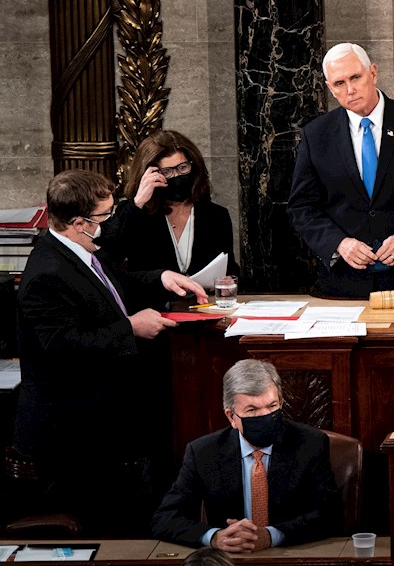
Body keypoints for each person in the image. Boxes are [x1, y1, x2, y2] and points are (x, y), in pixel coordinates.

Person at [14, 170, 205, 534]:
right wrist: (130, 329)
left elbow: (112, 289)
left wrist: (161, 276)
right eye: (103, 217)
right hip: (73, 434)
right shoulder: (47, 273)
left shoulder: (78, 251)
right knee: (104, 528)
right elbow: (63, 347)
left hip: (103, 423)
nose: (108, 225)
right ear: (77, 223)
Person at [288, 42, 394, 298]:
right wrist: (339, 243)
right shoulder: (317, 135)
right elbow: (301, 207)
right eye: (339, 83)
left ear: (373, 73)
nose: (350, 89)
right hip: (345, 284)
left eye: (356, 77)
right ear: (330, 89)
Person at [151, 359, 342, 551]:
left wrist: (271, 535)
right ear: (231, 416)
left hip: (291, 555)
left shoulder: (310, 443)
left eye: (272, 406)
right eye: (252, 410)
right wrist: (215, 537)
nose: (265, 415)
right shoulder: (203, 452)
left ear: (281, 403)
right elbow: (166, 518)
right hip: (231, 559)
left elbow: (330, 514)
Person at [99, 130, 239, 277]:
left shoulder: (216, 215)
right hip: (153, 299)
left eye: (182, 167)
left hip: (203, 299)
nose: (176, 176)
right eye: (166, 172)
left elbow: (229, 267)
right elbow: (109, 258)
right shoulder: (133, 213)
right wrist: (138, 202)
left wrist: (229, 280)